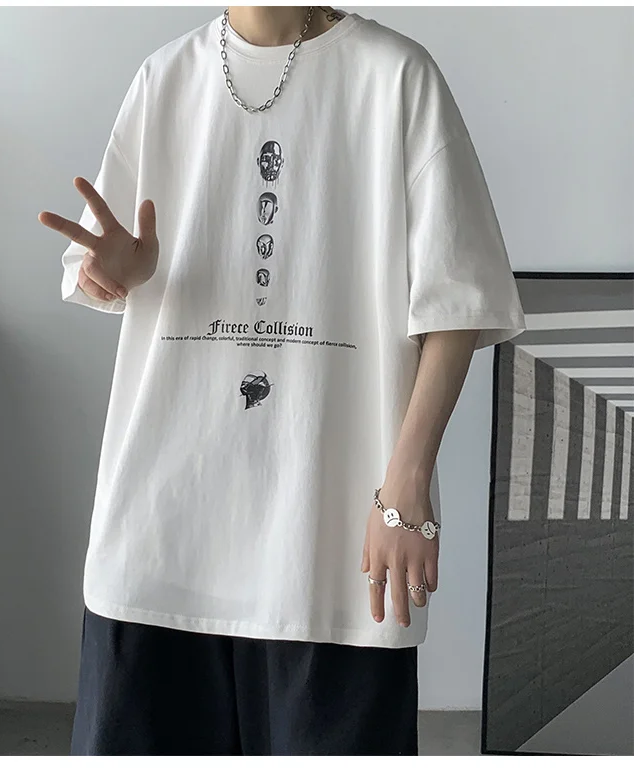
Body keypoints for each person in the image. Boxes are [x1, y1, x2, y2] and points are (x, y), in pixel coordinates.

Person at [38, 6, 526, 755]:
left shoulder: (396, 77)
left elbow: (457, 301)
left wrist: (406, 484)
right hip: (161, 537)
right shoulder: (165, 78)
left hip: (326, 550)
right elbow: (102, 262)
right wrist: (118, 273)